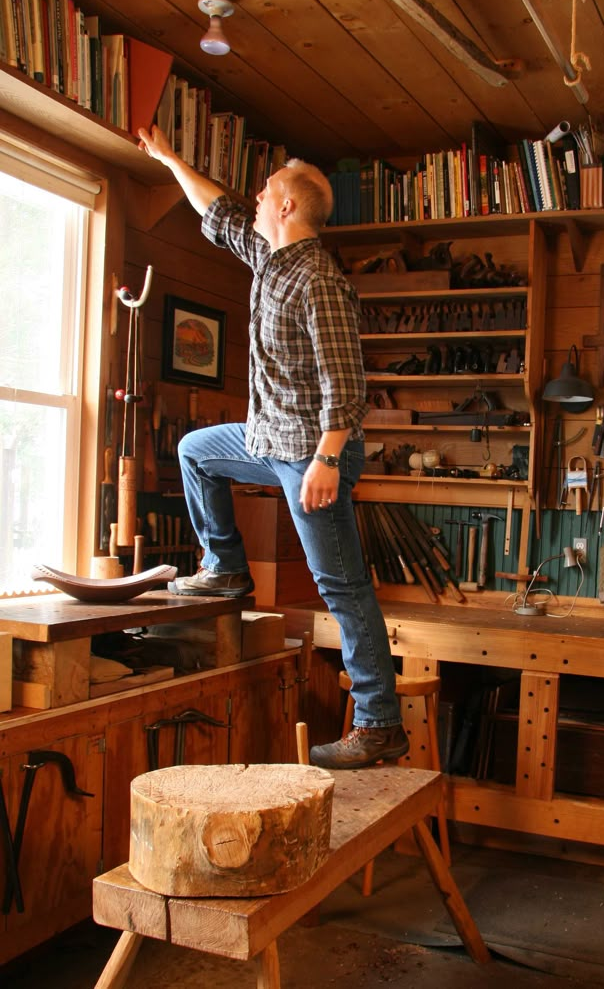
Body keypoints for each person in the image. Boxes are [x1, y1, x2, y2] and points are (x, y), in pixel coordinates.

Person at [137, 125, 407, 770]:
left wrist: (327, 458)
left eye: (266, 192)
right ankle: (226, 567)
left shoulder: (319, 280)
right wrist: (171, 158)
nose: (255, 199)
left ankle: (379, 723)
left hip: (312, 454)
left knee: (340, 588)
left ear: (288, 206)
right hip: (265, 441)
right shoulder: (270, 259)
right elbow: (218, 210)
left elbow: (347, 384)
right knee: (197, 450)